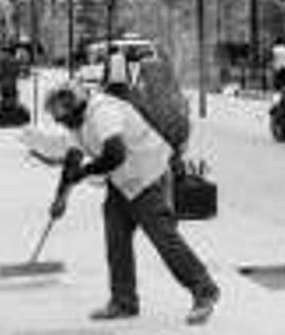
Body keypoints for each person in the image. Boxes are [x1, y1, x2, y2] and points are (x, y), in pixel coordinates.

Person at [45, 82, 219, 325]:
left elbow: (116, 153)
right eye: (59, 121)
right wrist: (61, 197)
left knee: (164, 239)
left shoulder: (102, 112)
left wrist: (85, 173)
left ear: (75, 107)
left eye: (64, 118)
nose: (63, 124)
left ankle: (205, 290)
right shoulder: (78, 122)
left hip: (150, 177)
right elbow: (72, 161)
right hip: (123, 182)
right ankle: (123, 301)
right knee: (116, 240)